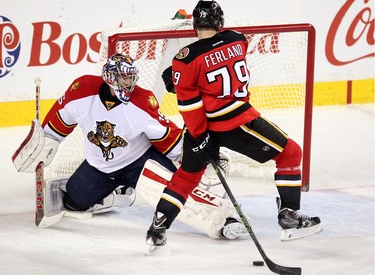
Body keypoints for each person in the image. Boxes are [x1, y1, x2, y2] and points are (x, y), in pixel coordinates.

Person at [12, 53, 247, 240]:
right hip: (99, 168)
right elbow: (56, 126)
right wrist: (42, 145)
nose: (130, 83)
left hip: (142, 163)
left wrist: (194, 158)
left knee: (174, 193)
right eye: (125, 78)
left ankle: (223, 221)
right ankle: (116, 193)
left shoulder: (142, 102)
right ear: (111, 78)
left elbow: (168, 137)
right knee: (74, 203)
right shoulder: (82, 92)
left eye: (132, 77)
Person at [146, 0, 322, 248]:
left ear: (195, 23)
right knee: (291, 153)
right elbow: (216, 64)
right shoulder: (237, 39)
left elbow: (189, 103)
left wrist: (197, 133)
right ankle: (289, 215)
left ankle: (158, 228)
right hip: (237, 122)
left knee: (186, 177)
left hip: (201, 127)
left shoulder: (184, 60)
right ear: (220, 23)